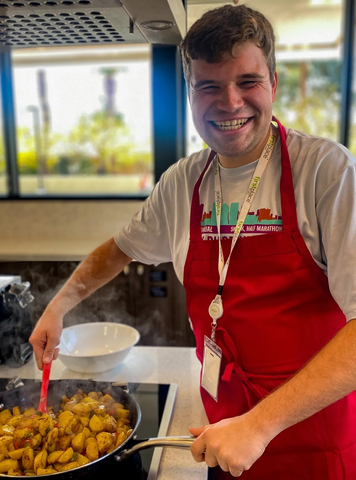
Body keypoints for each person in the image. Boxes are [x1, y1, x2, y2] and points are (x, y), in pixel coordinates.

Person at [29, 4, 356, 479]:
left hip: (314, 441)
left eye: (247, 82)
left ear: (274, 84)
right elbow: (119, 248)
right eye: (208, 86)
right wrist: (59, 305)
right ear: (189, 93)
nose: (229, 102)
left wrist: (260, 425)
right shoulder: (183, 181)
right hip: (223, 437)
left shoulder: (326, 172)